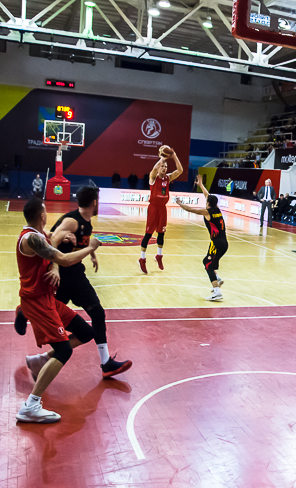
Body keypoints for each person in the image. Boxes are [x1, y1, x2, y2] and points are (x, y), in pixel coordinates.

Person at [12, 198, 104, 423]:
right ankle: (30, 406)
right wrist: (90, 248)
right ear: (42, 216)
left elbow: (52, 244)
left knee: (86, 333)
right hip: (37, 302)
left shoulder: (40, 235)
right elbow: (62, 258)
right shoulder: (31, 238)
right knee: (64, 350)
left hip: (48, 299)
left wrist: (63, 240)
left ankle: (40, 361)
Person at [44, 186, 132, 379]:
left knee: (95, 312)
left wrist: (91, 254)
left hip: (75, 276)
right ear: (94, 202)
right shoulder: (72, 221)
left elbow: (82, 239)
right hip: (64, 277)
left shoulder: (86, 221)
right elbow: (51, 241)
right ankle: (25, 313)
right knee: (50, 314)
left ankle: (106, 363)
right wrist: (55, 267)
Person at [175, 176, 229, 301]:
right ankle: (217, 279)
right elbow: (207, 195)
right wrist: (201, 185)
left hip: (216, 244)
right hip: (224, 243)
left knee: (209, 265)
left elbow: (190, 209)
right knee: (206, 262)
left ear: (208, 203)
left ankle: (217, 292)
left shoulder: (207, 212)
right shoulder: (217, 209)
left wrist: (179, 203)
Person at [138, 146, 183, 274]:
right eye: (162, 166)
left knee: (161, 233)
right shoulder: (153, 177)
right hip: (153, 208)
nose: (164, 168)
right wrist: (162, 159)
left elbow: (180, 170)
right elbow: (154, 169)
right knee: (148, 234)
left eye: (165, 166)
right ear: (158, 168)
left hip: (162, 209)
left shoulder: (168, 178)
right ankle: (142, 259)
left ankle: (159, 256)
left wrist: (174, 156)